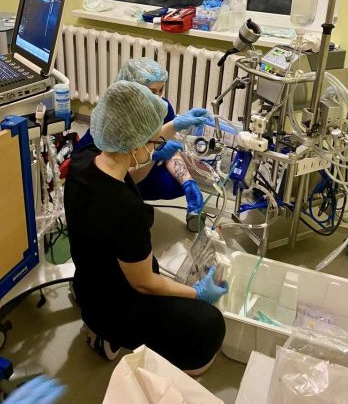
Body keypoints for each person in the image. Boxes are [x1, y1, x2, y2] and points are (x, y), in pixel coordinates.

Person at [64, 81, 227, 374]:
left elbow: (127, 172)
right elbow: (144, 283)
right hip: (114, 306)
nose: (155, 148)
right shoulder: (125, 209)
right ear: (135, 144)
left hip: (89, 284)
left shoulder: (83, 160)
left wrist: (169, 131)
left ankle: (102, 327)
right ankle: (109, 333)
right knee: (209, 325)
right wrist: (198, 293)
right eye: (153, 143)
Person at [77, 58, 210, 229]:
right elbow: (120, 176)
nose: (158, 98)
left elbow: (168, 148)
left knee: (175, 185)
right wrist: (154, 152)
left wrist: (188, 182)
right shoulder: (115, 118)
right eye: (152, 91)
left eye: (161, 91)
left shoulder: (162, 108)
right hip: (109, 177)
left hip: (136, 163)